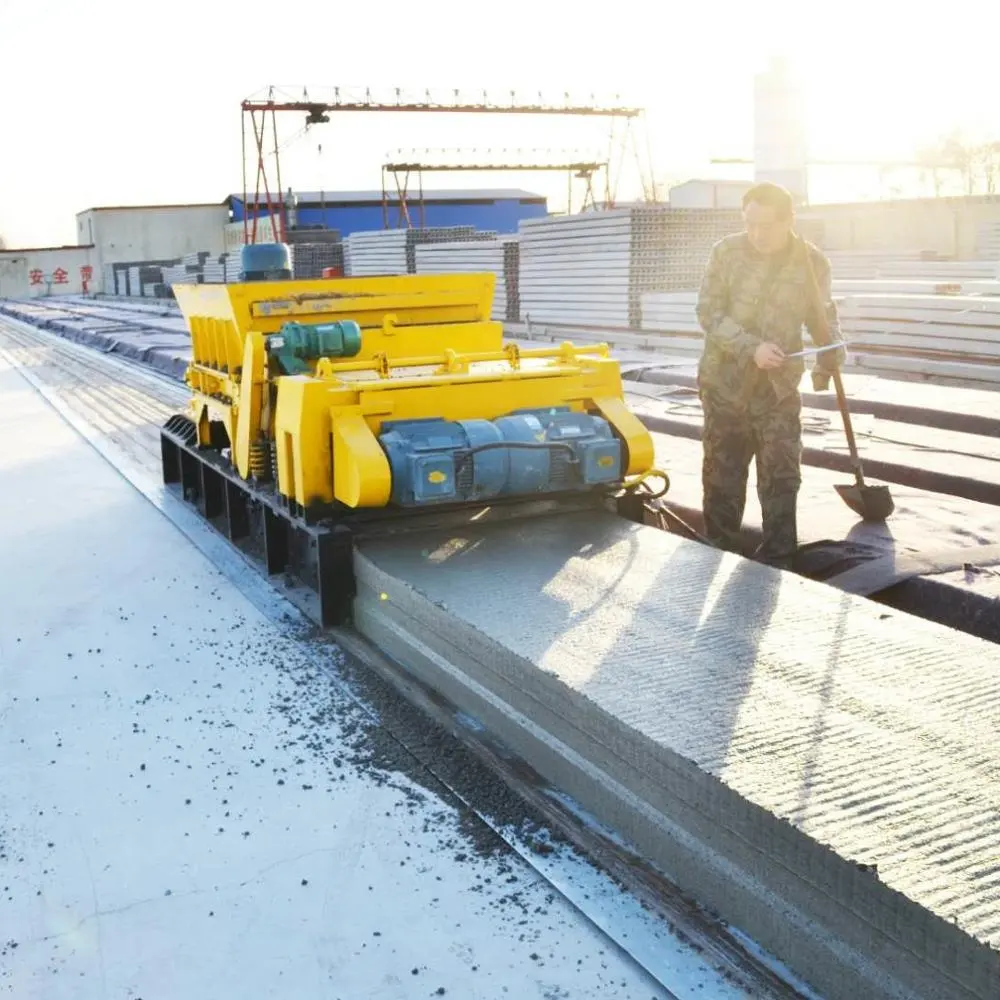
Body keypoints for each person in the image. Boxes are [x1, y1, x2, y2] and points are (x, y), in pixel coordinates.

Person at [695, 181, 846, 565]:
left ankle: (780, 559)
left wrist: (830, 356)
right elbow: (709, 314)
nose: (757, 234)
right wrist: (751, 348)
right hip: (724, 387)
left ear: (789, 220)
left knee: (780, 477)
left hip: (776, 392)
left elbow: (821, 316)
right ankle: (718, 550)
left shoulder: (812, 263)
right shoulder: (726, 253)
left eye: (766, 225)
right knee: (722, 477)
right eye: (750, 224)